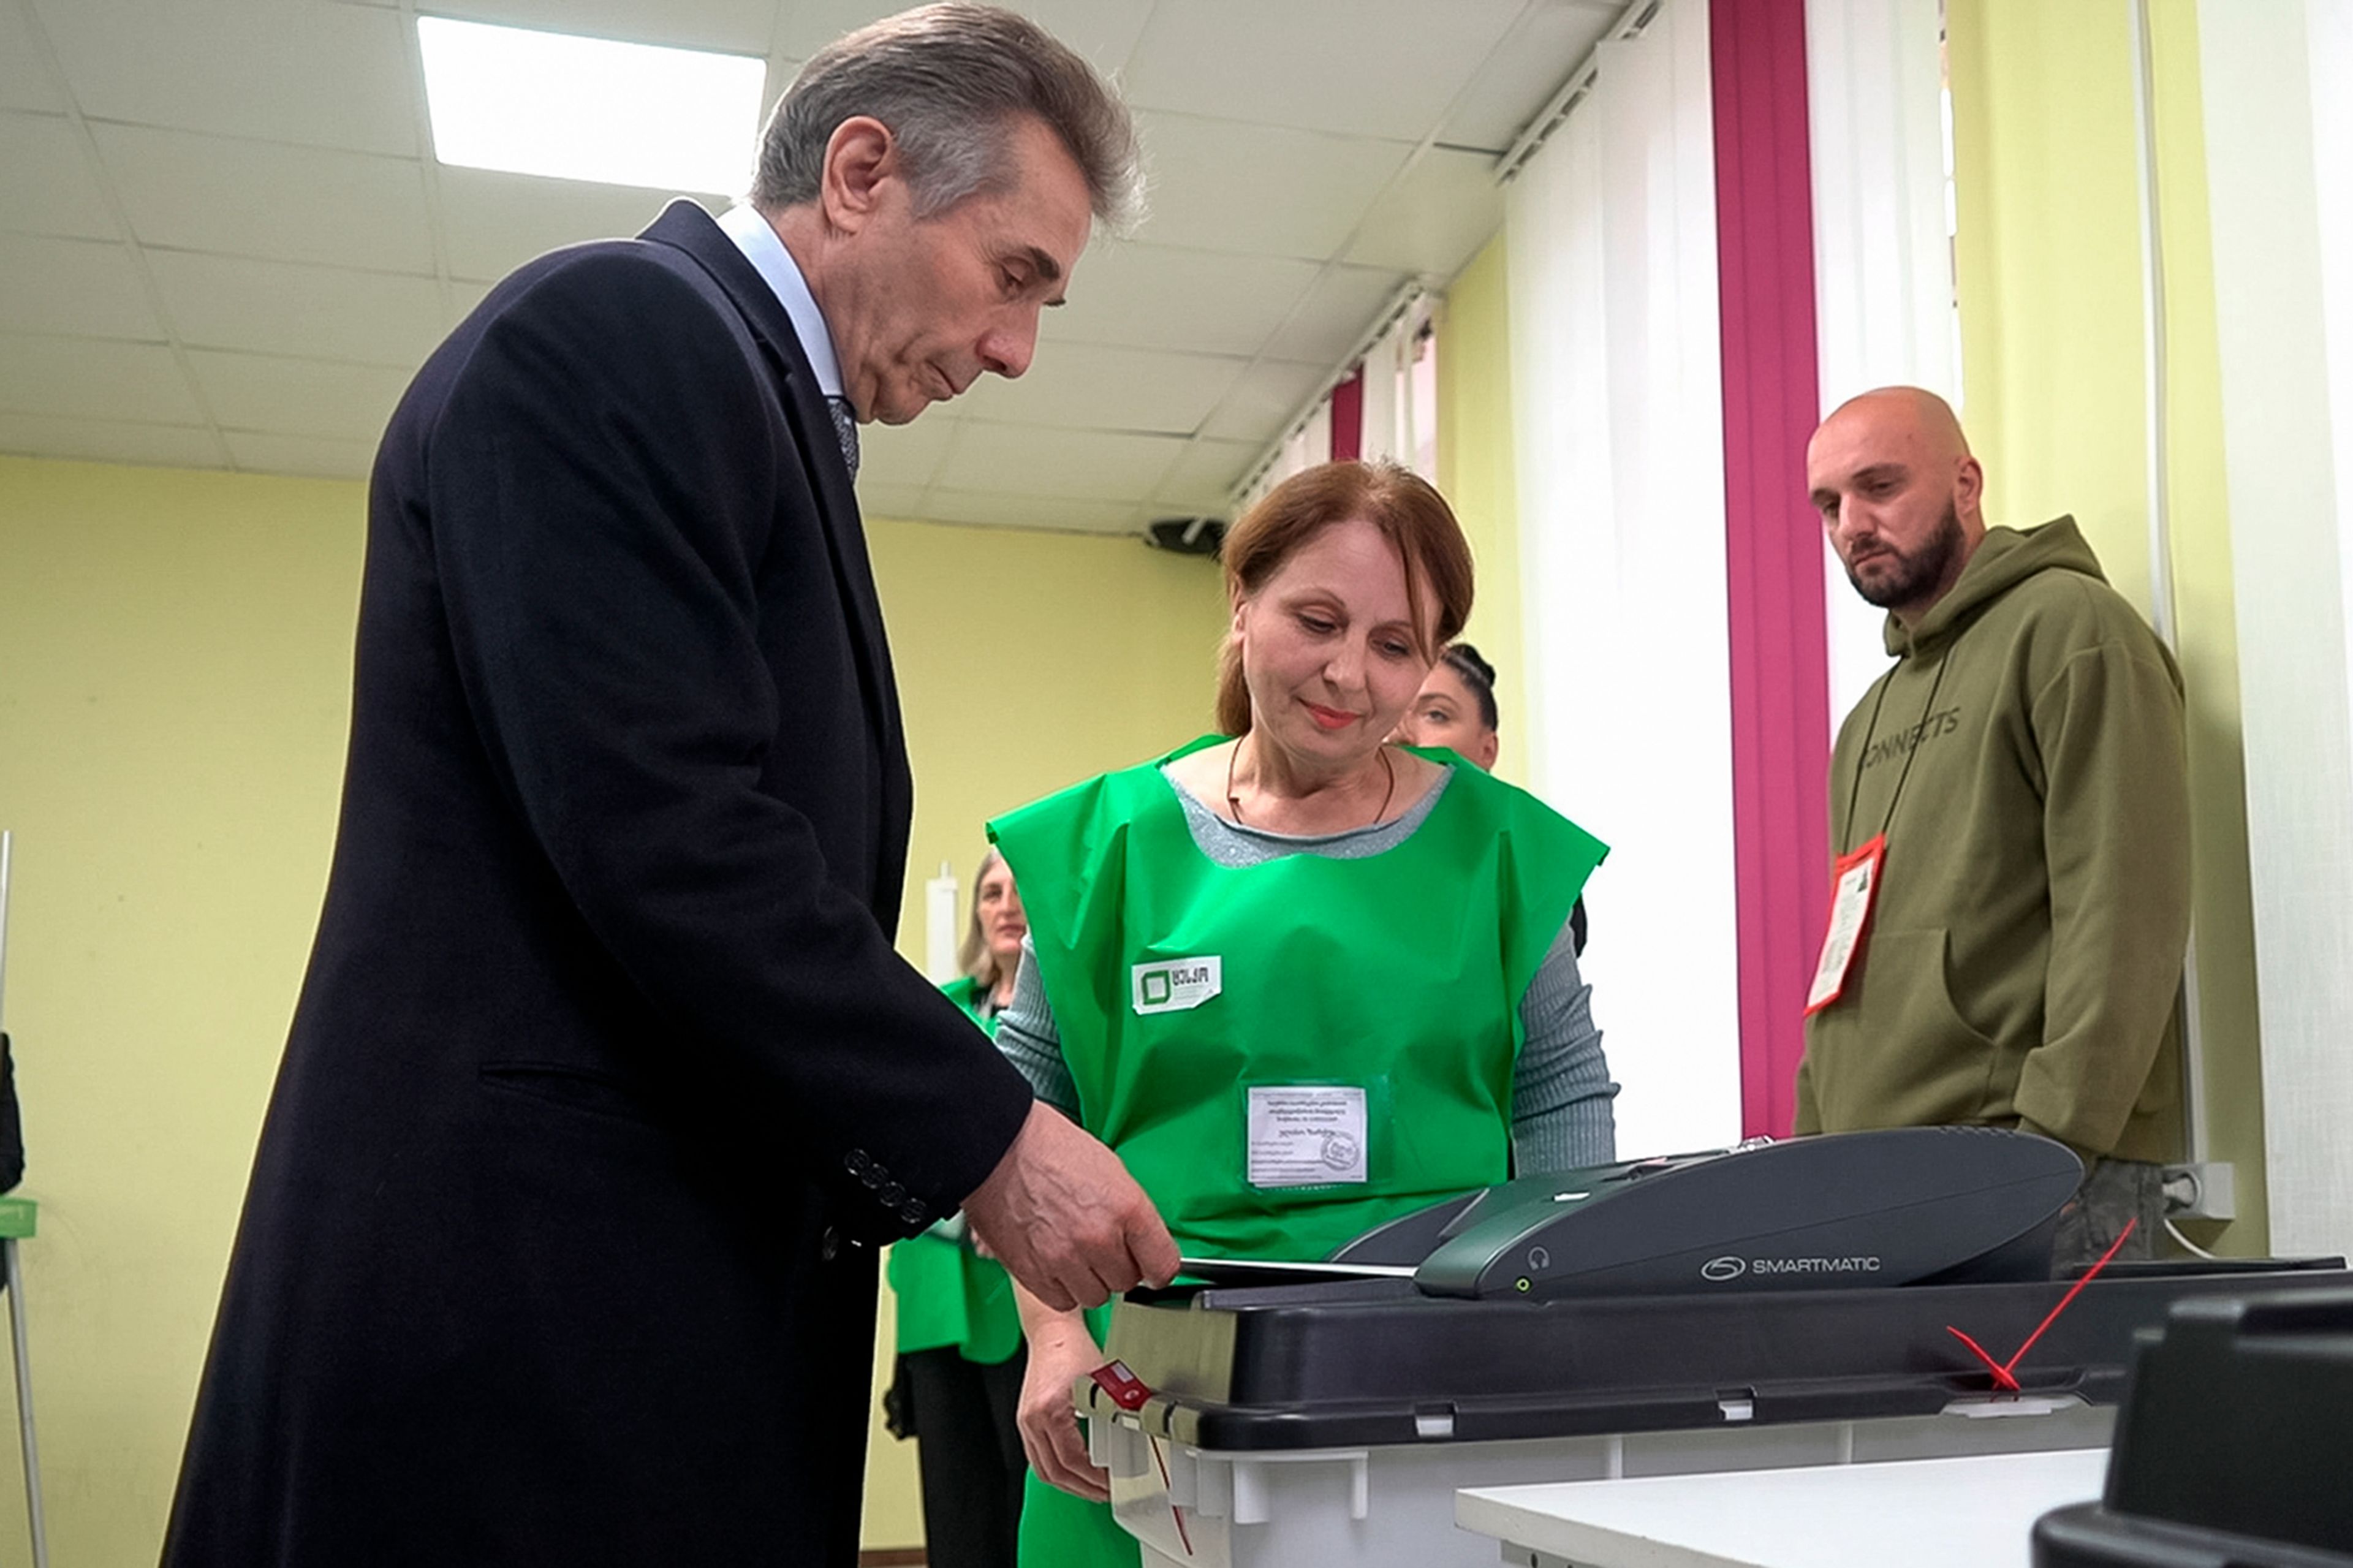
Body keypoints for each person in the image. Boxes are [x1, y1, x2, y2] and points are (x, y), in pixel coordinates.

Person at [161, 9, 1176, 1565]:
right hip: (520, 1321)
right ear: (859, 175)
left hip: (622, 1315)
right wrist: (992, 1137)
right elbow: (667, 833)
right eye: (1015, 273)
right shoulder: (618, 334)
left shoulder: (748, 400)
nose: (1016, 346)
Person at [988, 461, 1619, 1566]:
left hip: (1429, 1382)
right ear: (1241, 601)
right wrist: (1049, 1335)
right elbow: (1015, 1116)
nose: (1349, 674)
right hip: (1142, 1384)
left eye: (1395, 644)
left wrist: (1550, 1335)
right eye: (1316, 619)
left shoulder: (1503, 853)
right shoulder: (1107, 849)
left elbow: (1562, 1097)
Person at [1796, 386, 2189, 1268]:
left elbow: (2124, 915)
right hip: (1874, 1190)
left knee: (2066, 1417)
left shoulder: (2074, 631)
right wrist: (1810, 1165)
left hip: (2038, 1180)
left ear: (1966, 484)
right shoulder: (1866, 720)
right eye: (1830, 504)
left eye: (1880, 486)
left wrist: (2047, 1153)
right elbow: (1842, 962)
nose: (1852, 523)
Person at [886, 849, 1032, 1568]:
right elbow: (897, 1134)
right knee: (956, 1497)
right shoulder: (937, 1012)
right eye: (990, 891)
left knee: (1031, 1490)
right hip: (937, 1291)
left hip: (1029, 1294)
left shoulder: (1069, 1016)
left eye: (1020, 888)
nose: (1005, 904)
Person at [1395, 642, 1586, 955]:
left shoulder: (1528, 867)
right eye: (1391, 711)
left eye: (1435, 715)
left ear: (1488, 750)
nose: (1400, 734)